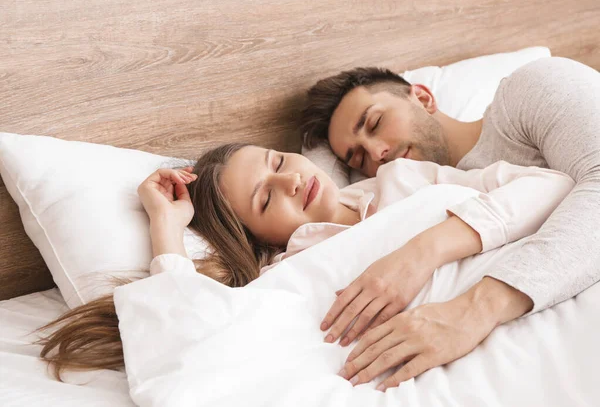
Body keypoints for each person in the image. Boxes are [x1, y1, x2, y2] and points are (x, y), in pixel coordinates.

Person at [38, 143, 574, 384]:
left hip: (541, 293)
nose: (289, 180)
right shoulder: (290, 271)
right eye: (267, 201)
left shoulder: (408, 180)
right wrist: (166, 226)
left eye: (275, 162)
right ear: (258, 239)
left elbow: (553, 187)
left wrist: (422, 251)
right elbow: (185, 339)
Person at [300, 56, 600, 390]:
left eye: (374, 124)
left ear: (424, 98)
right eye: (358, 158)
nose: (376, 153)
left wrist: (474, 310)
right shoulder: (411, 200)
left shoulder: (528, 91)